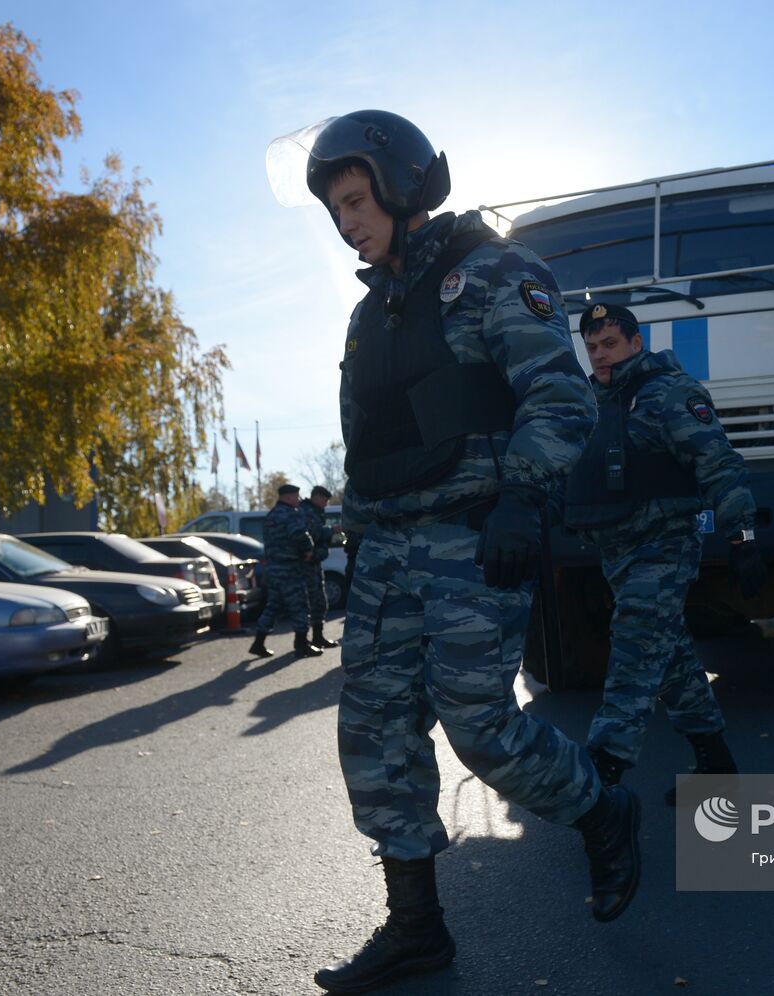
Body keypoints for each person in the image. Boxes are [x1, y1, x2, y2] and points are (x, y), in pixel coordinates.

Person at [267, 110, 637, 994]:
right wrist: (352, 537)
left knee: (481, 728)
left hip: (474, 534)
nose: (348, 220)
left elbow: (560, 397)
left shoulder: (492, 273)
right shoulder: (370, 314)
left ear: (400, 186)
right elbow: (368, 439)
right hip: (389, 547)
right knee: (375, 737)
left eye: (357, 198)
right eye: (336, 209)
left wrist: (523, 498)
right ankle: (418, 929)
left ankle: (601, 807)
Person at [565, 303, 766, 805]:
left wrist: (742, 539)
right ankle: (716, 763)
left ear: (636, 342)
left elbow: (718, 465)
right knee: (671, 659)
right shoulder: (593, 402)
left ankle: (601, 780)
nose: (600, 355)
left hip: (663, 546)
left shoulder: (670, 393)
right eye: (591, 347)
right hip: (616, 551)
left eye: (610, 344)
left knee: (634, 651)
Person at [248, 483, 321, 660]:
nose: (298, 500)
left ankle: (258, 642)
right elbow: (300, 535)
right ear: (288, 497)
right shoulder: (290, 514)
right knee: (300, 605)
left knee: (273, 606)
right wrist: (308, 550)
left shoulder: (271, 516)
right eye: (296, 496)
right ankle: (302, 644)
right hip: (290, 569)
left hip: (272, 569)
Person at [301, 485, 341, 649]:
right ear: (316, 497)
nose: (325, 503)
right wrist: (332, 530)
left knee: (320, 601)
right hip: (306, 565)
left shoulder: (315, 512)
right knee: (309, 602)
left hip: (315, 563)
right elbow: (314, 533)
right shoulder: (306, 512)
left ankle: (318, 637)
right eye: (324, 500)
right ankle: (302, 641)